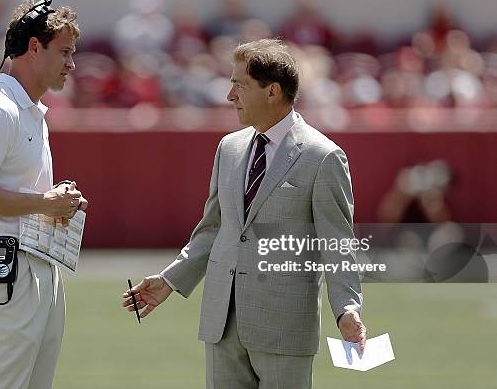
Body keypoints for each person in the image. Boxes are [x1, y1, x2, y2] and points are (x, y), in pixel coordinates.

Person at [123, 38, 366, 388]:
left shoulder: (323, 156)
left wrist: (347, 309)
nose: (229, 95)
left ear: (273, 91)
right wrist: (171, 280)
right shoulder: (229, 148)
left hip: (284, 328)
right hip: (221, 323)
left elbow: (338, 243)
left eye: (240, 85)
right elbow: (214, 228)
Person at [0, 0, 85, 389]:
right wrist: (45, 202)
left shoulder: (29, 109)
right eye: (64, 52)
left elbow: (16, 192)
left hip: (38, 262)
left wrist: (58, 201)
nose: (72, 64)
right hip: (4, 269)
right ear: (34, 47)